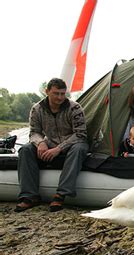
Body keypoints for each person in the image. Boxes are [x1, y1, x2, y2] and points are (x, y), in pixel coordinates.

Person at [15, 78, 89, 213]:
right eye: (56, 93)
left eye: (62, 93)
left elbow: (80, 134)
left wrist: (59, 148)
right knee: (25, 149)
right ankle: (29, 196)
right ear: (47, 92)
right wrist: (40, 142)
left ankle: (61, 194)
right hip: (49, 142)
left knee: (79, 148)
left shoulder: (75, 108)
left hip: (73, 144)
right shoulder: (36, 109)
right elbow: (34, 132)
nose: (60, 97)